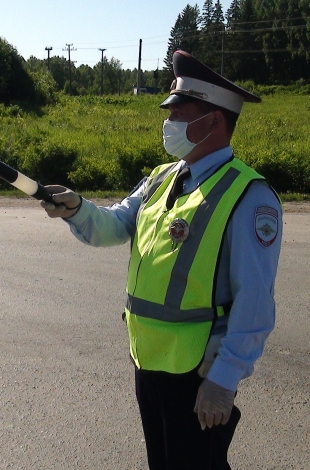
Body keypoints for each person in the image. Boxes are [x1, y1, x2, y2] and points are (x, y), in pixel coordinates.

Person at [41, 50, 282, 470]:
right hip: (148, 360)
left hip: (197, 373)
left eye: (179, 114)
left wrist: (224, 380)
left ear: (214, 121)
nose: (169, 123)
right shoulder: (162, 177)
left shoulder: (249, 197)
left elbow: (255, 301)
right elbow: (116, 225)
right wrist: (77, 208)